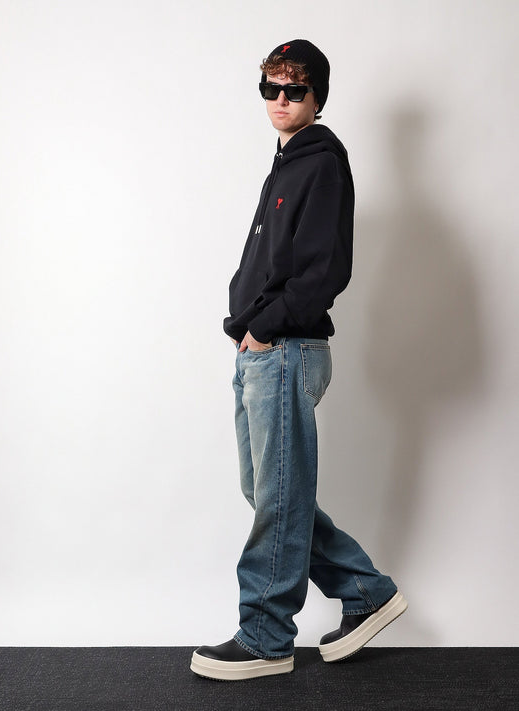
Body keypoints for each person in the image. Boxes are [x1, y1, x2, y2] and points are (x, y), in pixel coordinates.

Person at [190, 39, 407, 682]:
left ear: (317, 97)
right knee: (267, 492)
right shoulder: (286, 163)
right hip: (263, 349)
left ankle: (265, 636)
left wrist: (264, 328)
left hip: (285, 349)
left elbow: (324, 271)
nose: (280, 100)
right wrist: (244, 326)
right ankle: (366, 592)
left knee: (277, 498)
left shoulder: (321, 164)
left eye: (294, 89)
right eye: (271, 89)